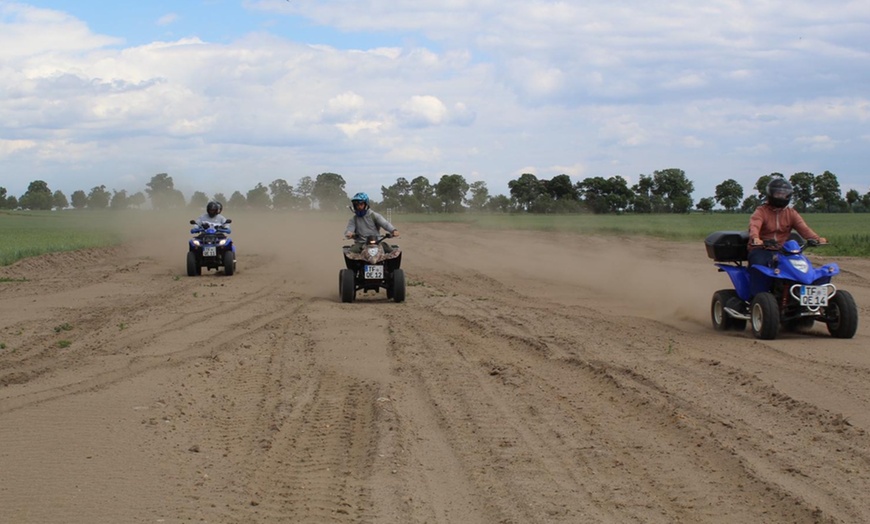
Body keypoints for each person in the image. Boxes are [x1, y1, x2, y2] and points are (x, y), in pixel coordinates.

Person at [747, 177, 826, 268]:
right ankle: (757, 282)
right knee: (758, 266)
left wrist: (816, 238)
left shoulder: (791, 213)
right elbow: (754, 226)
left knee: (799, 267)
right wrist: (756, 238)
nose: (781, 196)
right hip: (761, 249)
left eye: (783, 194)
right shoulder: (761, 211)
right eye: (778, 194)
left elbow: (804, 228)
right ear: (771, 194)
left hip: (782, 250)